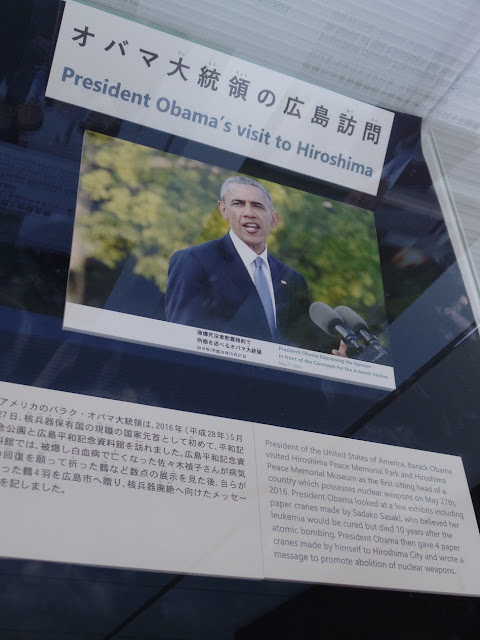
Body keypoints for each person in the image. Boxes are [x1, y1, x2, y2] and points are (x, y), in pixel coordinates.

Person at [165, 176, 331, 351]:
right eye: (238, 204)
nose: (249, 213)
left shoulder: (293, 279)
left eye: (258, 206)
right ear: (223, 210)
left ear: (274, 219)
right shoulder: (194, 261)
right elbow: (182, 341)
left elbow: (305, 348)